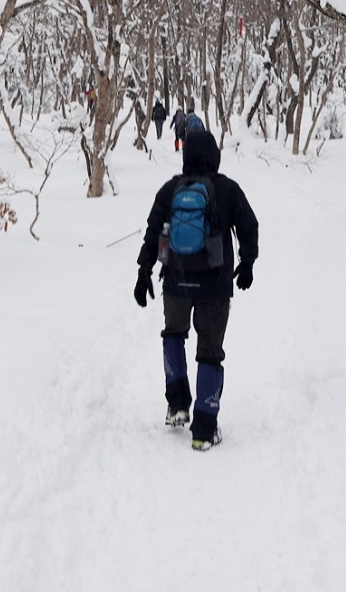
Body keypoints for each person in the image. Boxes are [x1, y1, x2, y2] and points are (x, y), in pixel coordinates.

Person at [133, 127, 258, 451]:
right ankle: (204, 428)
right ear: (215, 156)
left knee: (173, 334)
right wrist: (247, 263)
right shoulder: (227, 189)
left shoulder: (170, 189)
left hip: (175, 280)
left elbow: (152, 232)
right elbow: (249, 227)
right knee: (210, 351)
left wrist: (143, 271)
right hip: (215, 285)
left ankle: (177, 405)